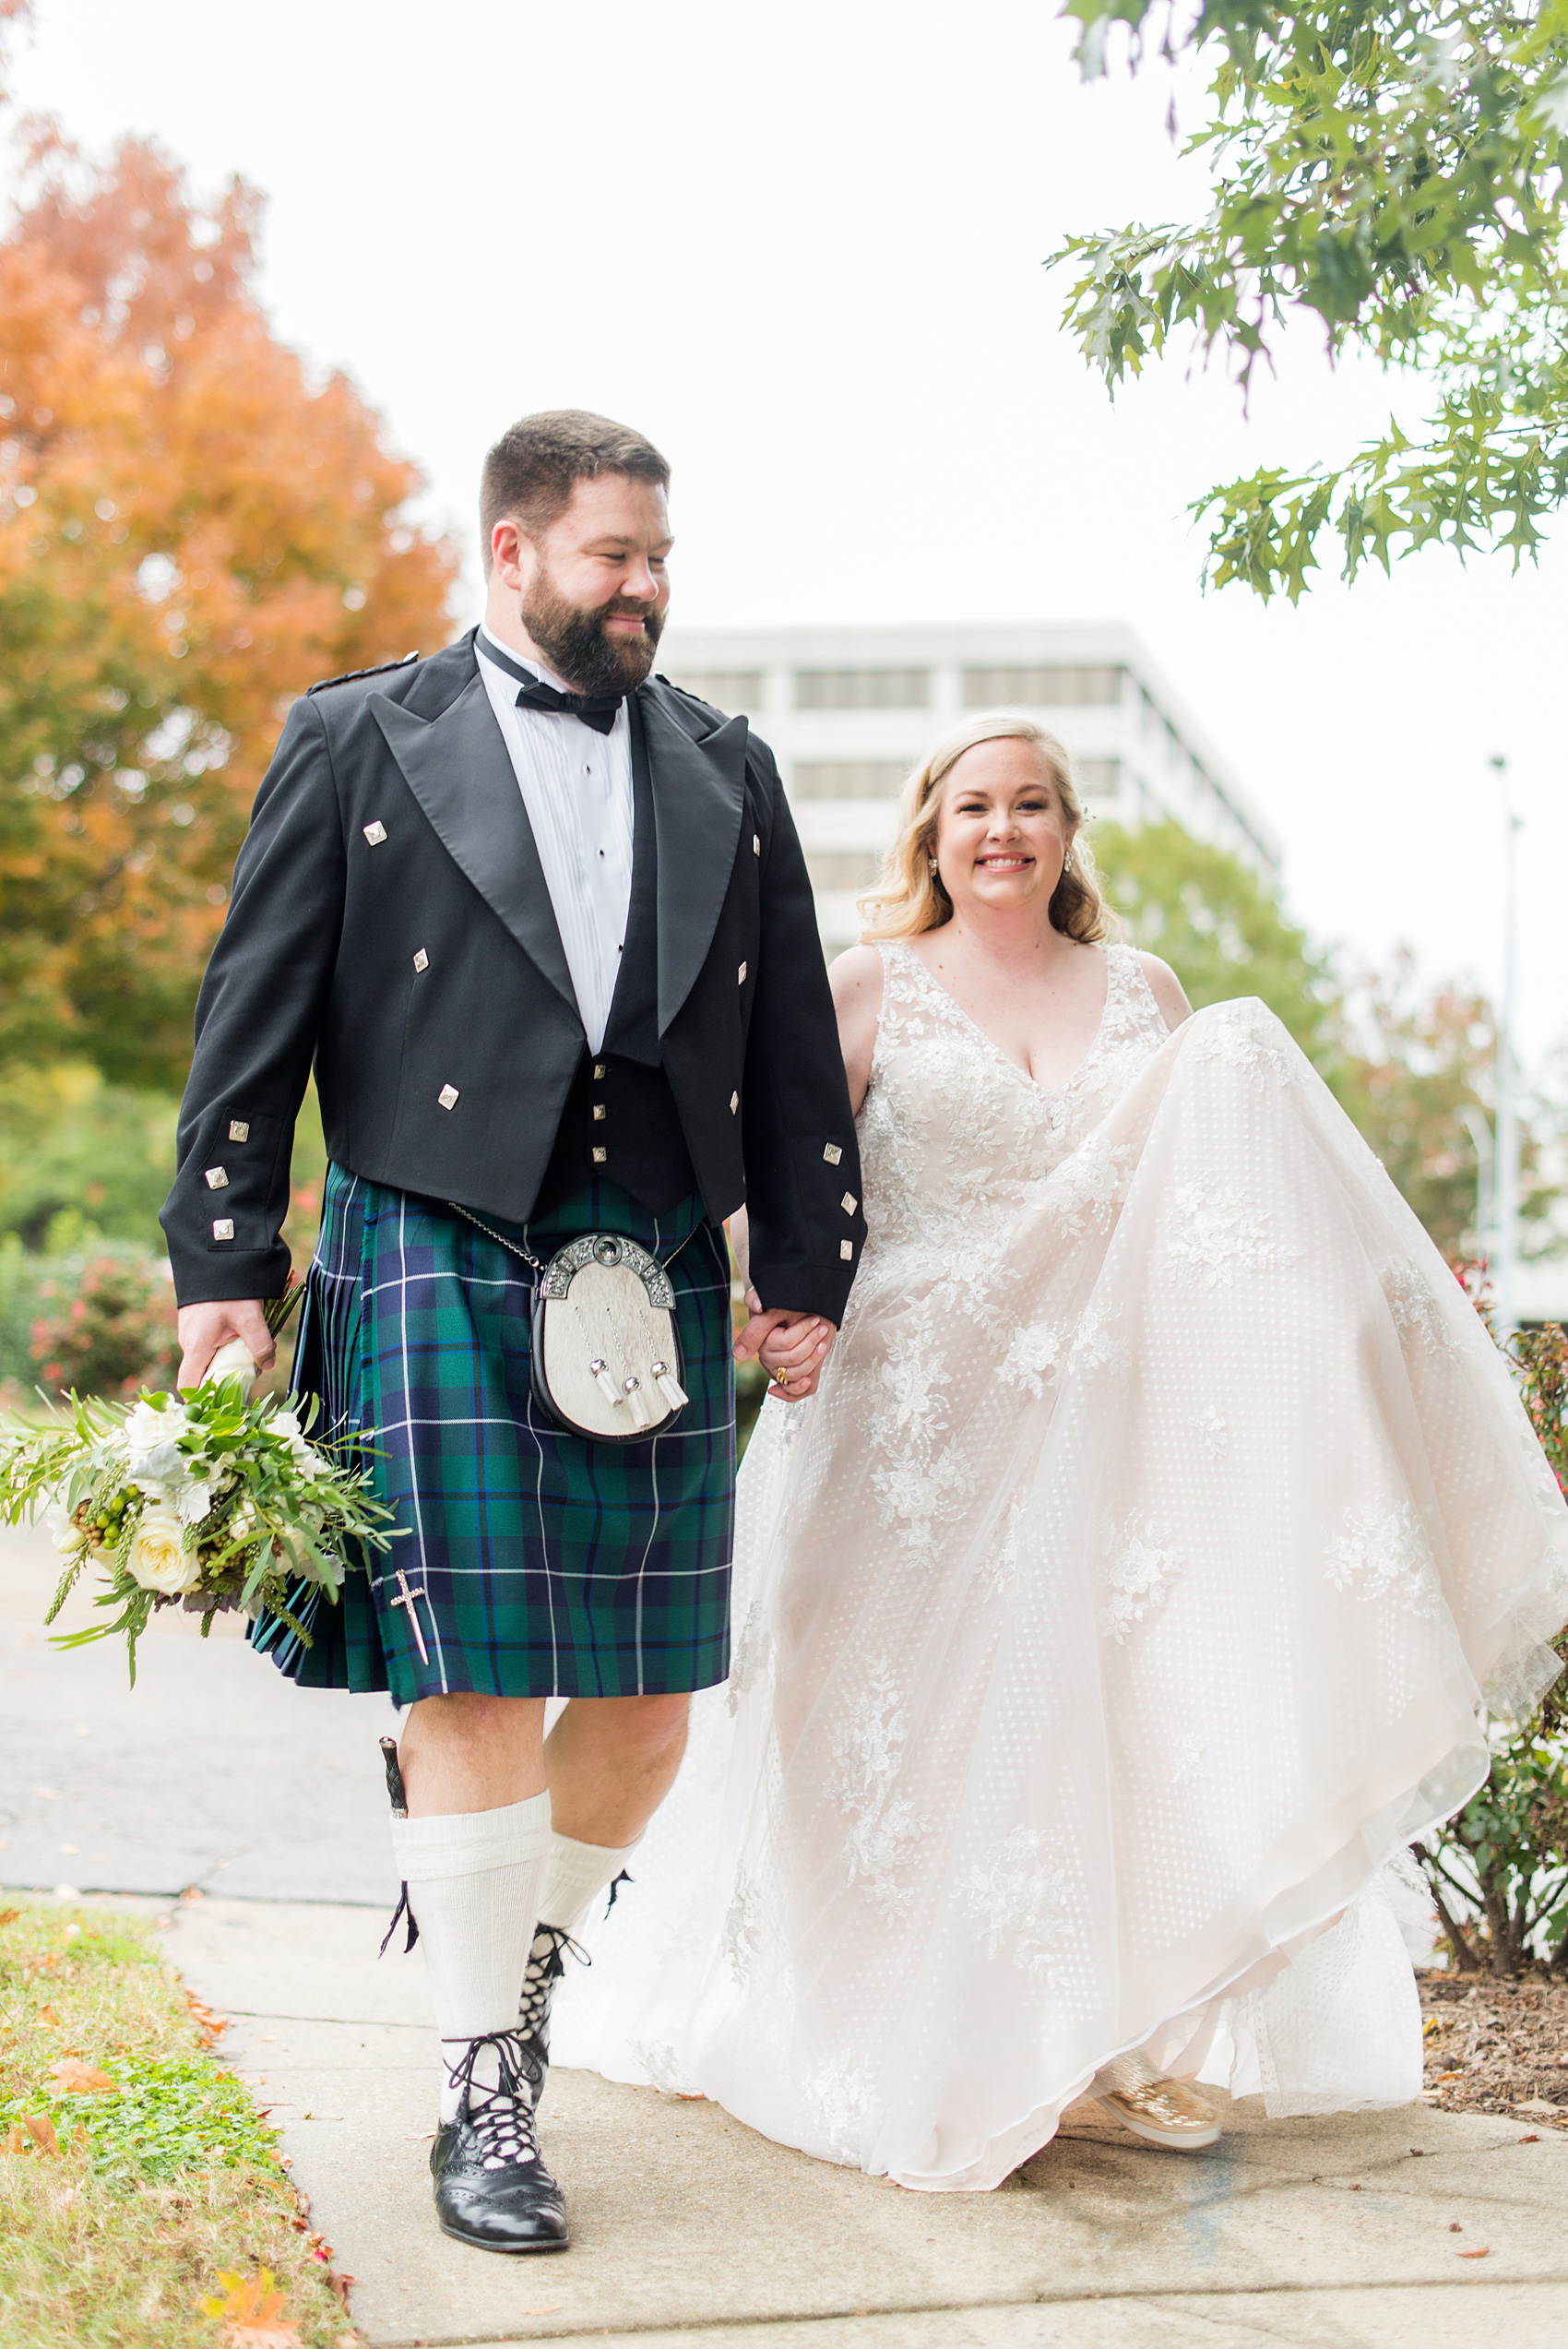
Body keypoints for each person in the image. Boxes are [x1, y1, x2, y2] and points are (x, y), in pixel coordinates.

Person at [548, 709, 1568, 2190]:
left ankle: (1121, 2033)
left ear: (1067, 830)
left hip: (1102, 1426)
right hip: (906, 1418)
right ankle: (878, 2019)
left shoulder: (1152, 992)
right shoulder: (870, 987)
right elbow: (770, 1179)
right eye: (974, 805)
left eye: (1031, 804)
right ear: (931, 830)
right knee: (883, 1735)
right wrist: (770, 1304)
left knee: (1117, 1719)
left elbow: (1204, 1194)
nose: (1003, 828)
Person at [159, 410, 863, 2251]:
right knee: (463, 1672)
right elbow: (256, 1010)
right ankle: (482, 2077)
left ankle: (518, 1975)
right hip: (434, 1230)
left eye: (660, 559)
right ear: (511, 552)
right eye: (613, 556)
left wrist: (805, 1262)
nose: (644, 589)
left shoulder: (726, 762)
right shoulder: (358, 736)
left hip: (649, 1254)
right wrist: (221, 1263)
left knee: (643, 1704)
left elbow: (790, 1034)